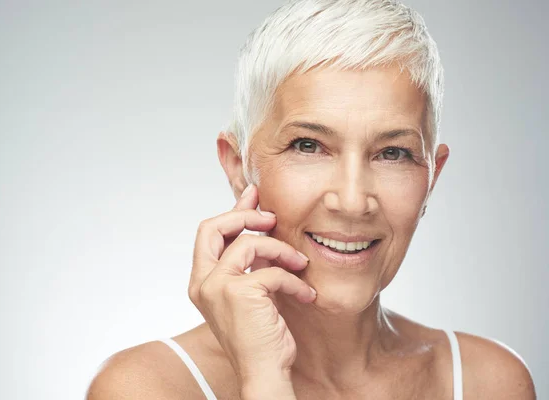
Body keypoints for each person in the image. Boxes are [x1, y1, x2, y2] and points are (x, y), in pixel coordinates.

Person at [86, 0, 536, 398]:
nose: (353, 200)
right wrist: (263, 375)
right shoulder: (145, 388)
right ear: (238, 165)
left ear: (432, 177)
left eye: (393, 153)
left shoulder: (489, 383)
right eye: (308, 145)